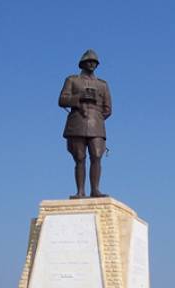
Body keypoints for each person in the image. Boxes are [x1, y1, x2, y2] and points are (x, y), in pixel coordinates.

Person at [58, 49, 112, 198]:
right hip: (77, 123)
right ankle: (80, 191)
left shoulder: (103, 85)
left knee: (96, 156)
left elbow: (108, 109)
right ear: (82, 63)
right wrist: (79, 97)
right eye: (89, 61)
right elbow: (62, 100)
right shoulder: (72, 80)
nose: (92, 64)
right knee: (80, 157)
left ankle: (95, 190)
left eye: (94, 62)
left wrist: (97, 117)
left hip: (96, 125)